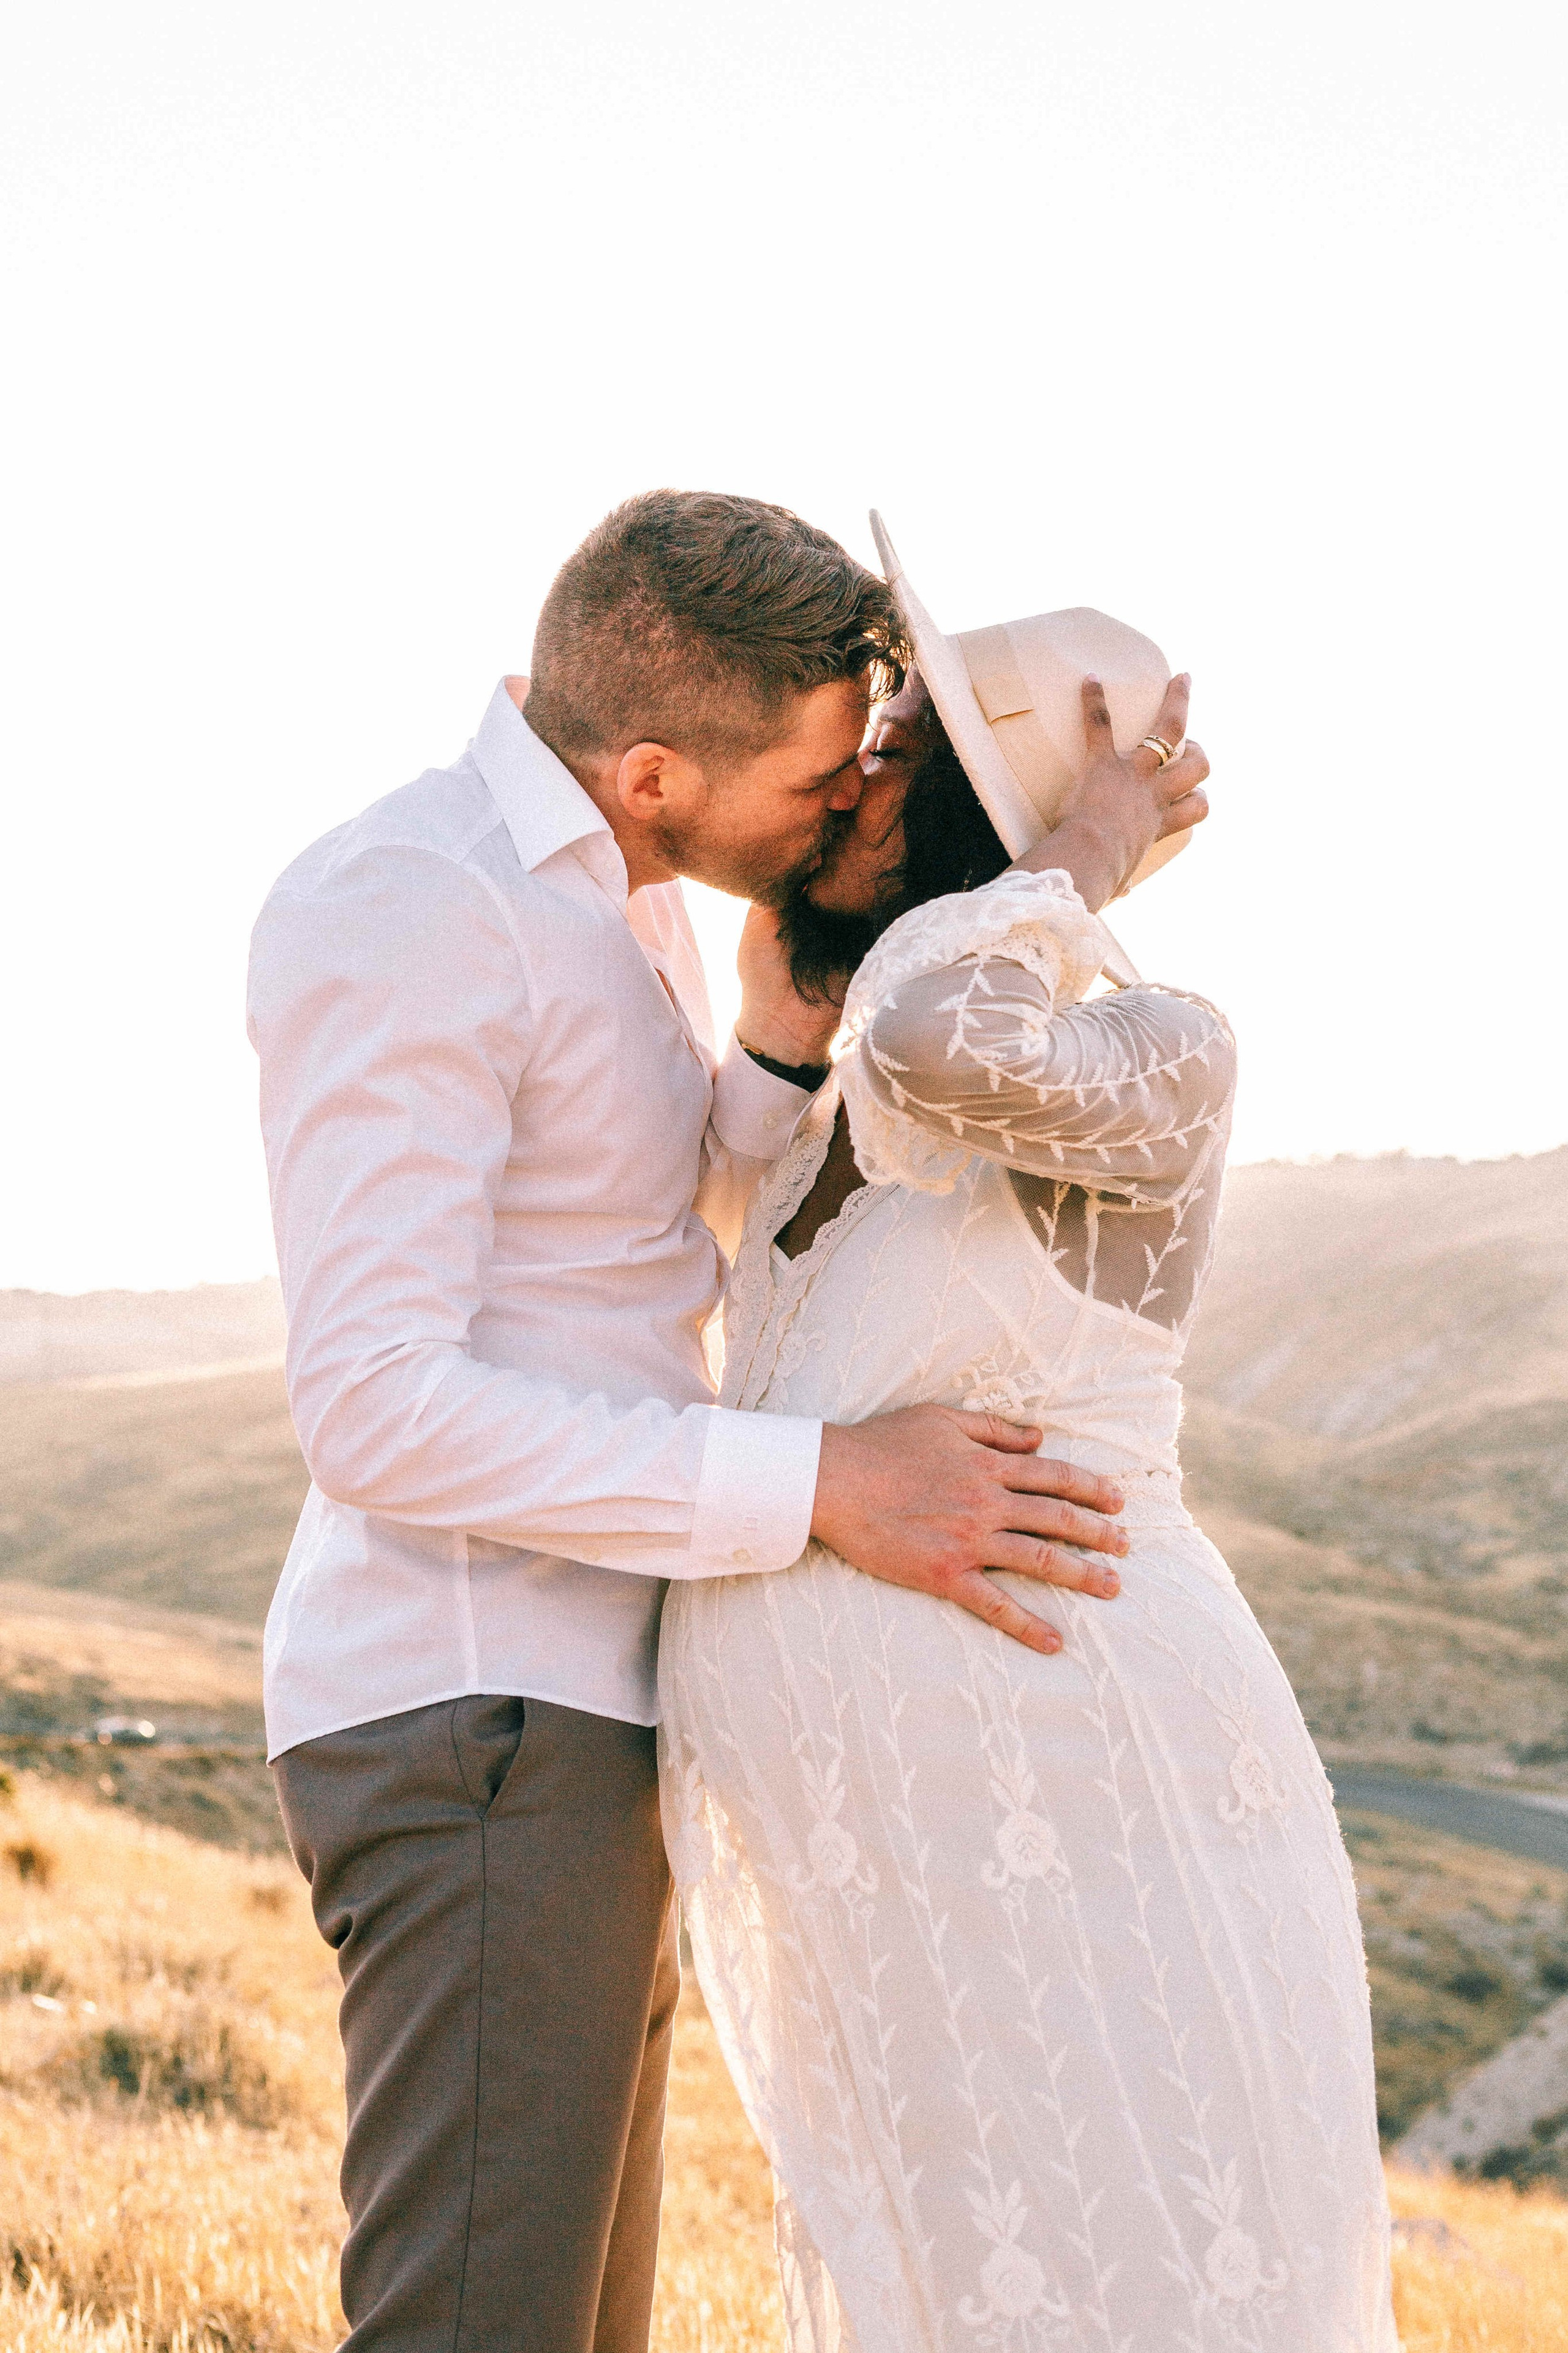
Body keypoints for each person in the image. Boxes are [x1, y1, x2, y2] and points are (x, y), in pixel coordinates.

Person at [246, 491, 1129, 2353]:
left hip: (575, 1707)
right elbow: (377, 1409)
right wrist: (821, 1487)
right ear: (651, 770)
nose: (844, 808)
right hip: (476, 1708)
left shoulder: (613, 898)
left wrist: (778, 1030)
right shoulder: (412, 902)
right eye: (818, 782)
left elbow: (631, 1238)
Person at [659, 532, 1397, 2349]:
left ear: (984, 847)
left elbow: (928, 1024)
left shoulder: (1154, 1052)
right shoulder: (842, 1101)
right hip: (905, 1899)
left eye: (890, 764)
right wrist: (770, 1016)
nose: (841, 784)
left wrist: (1077, 858)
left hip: (1104, 1831)